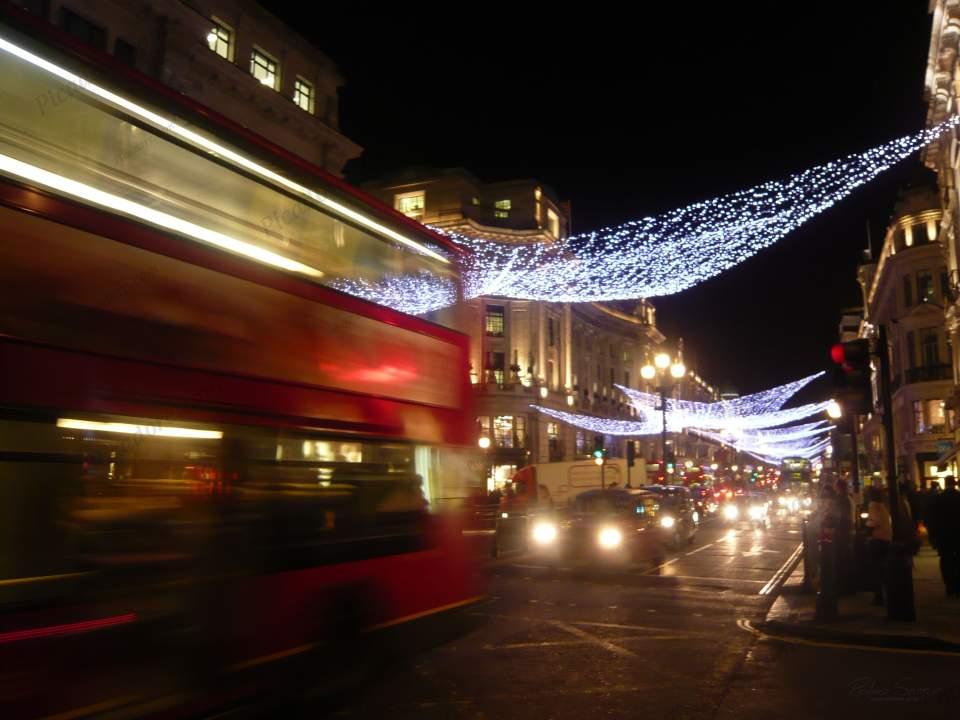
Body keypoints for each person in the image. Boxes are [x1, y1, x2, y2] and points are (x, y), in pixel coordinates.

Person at [927, 476, 960, 596]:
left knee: (946, 560)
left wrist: (933, 536)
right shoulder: (958, 497)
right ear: (954, 484)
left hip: (944, 535)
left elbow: (932, 519)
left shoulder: (938, 499)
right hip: (958, 534)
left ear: (945, 484)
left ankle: (949, 585)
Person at [865, 487, 892, 606]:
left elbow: (874, 522)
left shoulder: (873, 506)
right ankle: (886, 594)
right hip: (886, 538)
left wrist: (866, 523)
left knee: (877, 569)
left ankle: (879, 596)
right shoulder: (883, 506)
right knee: (883, 568)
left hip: (878, 539)